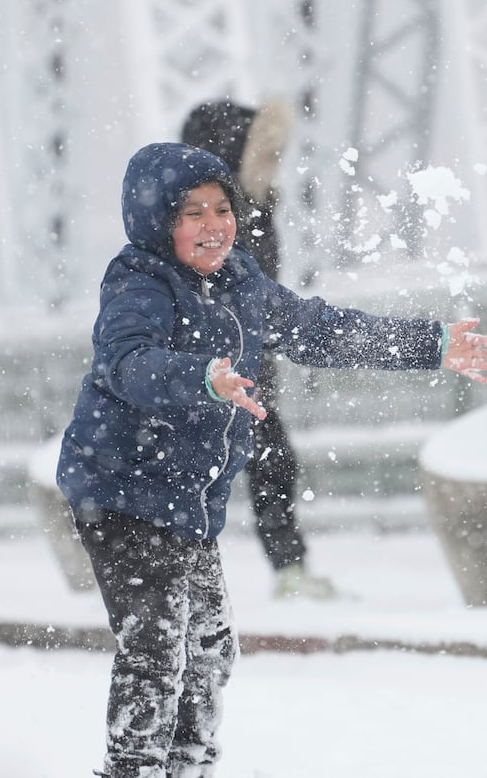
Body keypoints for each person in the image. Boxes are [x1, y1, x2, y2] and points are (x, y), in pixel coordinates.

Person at [56, 141, 487, 778]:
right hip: (122, 490)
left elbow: (319, 330)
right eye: (194, 213)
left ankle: (188, 768)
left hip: (186, 497)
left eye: (222, 208)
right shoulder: (138, 283)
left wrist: (426, 344)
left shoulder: (239, 280)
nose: (215, 225)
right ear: (158, 222)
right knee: (157, 650)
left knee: (209, 651)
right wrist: (201, 380)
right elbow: (128, 364)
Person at [180, 97, 333, 599]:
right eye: (263, 155)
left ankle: (286, 568)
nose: (274, 166)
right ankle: (172, 578)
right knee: (194, 470)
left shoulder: (254, 210)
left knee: (269, 461)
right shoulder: (204, 223)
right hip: (199, 369)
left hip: (244, 367)